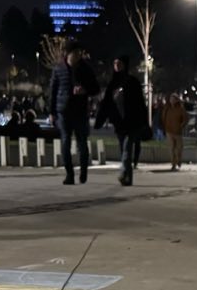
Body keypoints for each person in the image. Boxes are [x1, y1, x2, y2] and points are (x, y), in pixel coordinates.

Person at [48, 45, 100, 185]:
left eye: (79, 53)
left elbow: (96, 88)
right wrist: (52, 112)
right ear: (68, 54)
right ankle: (69, 174)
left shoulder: (85, 68)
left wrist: (85, 90)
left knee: (82, 143)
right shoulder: (59, 69)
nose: (78, 56)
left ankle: (83, 171)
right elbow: (53, 90)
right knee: (65, 141)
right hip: (63, 111)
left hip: (80, 111)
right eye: (75, 53)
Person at [95, 55, 149, 186]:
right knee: (124, 150)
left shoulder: (132, 82)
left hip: (132, 122)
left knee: (127, 148)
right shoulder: (113, 83)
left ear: (125, 65)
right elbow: (106, 103)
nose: (117, 66)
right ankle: (128, 177)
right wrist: (100, 120)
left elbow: (140, 103)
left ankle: (124, 173)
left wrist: (144, 121)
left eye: (119, 63)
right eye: (115, 63)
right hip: (119, 123)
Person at [160, 93, 188, 171]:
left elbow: (185, 118)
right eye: (171, 99)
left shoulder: (180, 109)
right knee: (171, 149)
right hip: (169, 131)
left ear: (176, 100)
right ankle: (173, 164)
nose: (172, 101)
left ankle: (179, 160)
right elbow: (163, 117)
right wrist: (165, 126)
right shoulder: (167, 108)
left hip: (178, 132)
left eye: (173, 99)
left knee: (179, 148)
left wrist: (181, 126)